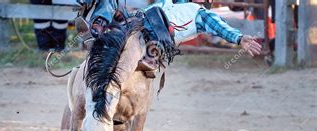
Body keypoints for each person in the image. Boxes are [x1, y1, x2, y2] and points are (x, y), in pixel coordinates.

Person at [78, 0, 262, 69]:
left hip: (158, 37)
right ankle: (96, 32)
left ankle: (150, 57)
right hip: (135, 23)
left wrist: (239, 38)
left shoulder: (201, 13)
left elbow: (221, 27)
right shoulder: (166, 2)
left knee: (156, 18)